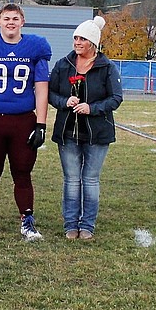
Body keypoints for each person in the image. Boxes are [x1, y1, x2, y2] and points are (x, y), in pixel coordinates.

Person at [0, 3, 52, 241]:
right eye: (6, 18)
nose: (11, 22)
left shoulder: (36, 47)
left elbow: (42, 88)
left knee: (23, 173)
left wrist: (41, 124)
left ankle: (27, 221)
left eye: (15, 18)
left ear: (22, 21)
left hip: (23, 120)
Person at [47, 16, 123, 240]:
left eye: (82, 39)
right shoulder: (63, 65)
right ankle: (70, 224)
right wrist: (64, 102)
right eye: (75, 38)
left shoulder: (107, 67)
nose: (77, 42)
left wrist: (92, 108)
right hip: (68, 132)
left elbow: (116, 98)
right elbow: (50, 93)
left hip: (97, 134)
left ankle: (87, 225)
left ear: (93, 43)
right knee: (71, 179)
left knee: (90, 179)